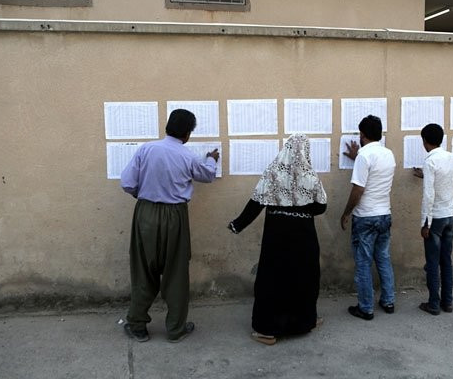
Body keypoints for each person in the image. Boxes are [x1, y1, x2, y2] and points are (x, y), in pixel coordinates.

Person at [120, 109, 219, 342]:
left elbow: (127, 183)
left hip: (145, 212)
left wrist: (144, 196)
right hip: (175, 216)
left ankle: (137, 325)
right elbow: (207, 175)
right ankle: (175, 329)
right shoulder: (187, 156)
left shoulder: (146, 149)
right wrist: (211, 159)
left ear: (167, 127)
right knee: (175, 272)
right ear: (187, 134)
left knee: (143, 269)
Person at [228, 134, 327, 345]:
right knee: (304, 278)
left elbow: (256, 202)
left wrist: (238, 224)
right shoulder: (310, 176)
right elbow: (321, 206)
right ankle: (305, 321)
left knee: (273, 279)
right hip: (304, 237)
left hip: (277, 238)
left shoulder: (273, 173)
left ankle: (267, 331)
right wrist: (301, 206)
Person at [340, 115, 396, 321]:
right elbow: (375, 172)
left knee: (363, 263)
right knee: (383, 258)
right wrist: (358, 157)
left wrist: (346, 213)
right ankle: (388, 301)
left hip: (366, 217)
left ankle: (365, 308)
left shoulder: (364, 156)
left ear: (362, 135)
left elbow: (358, 189)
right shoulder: (388, 154)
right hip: (384, 214)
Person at [413, 123, 453, 316]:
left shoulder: (430, 162)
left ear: (424, 141)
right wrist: (424, 176)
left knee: (432, 263)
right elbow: (443, 180)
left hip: (436, 219)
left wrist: (425, 223)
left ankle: (433, 303)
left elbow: (429, 195)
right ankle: (447, 302)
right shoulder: (451, 157)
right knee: (446, 261)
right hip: (450, 215)